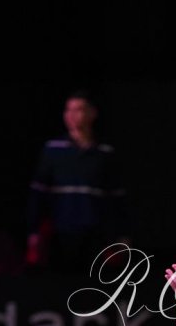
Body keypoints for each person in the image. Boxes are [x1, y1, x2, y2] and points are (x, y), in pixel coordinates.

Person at [27, 89, 130, 275]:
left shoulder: (105, 152)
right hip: (60, 234)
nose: (72, 115)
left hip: (96, 235)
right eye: (68, 110)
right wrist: (34, 231)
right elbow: (38, 194)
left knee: (94, 284)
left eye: (79, 109)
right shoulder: (53, 149)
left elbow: (117, 199)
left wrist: (121, 235)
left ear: (92, 113)